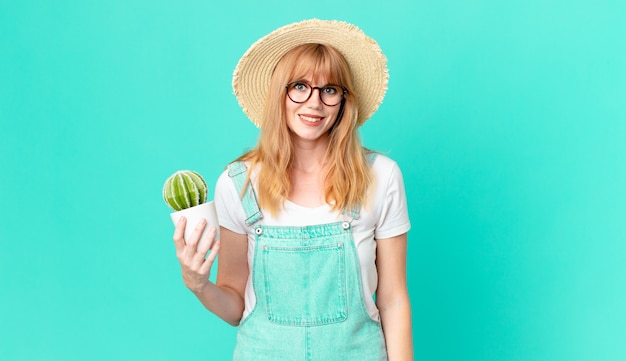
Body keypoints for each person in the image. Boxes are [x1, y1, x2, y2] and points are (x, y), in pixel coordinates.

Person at [172, 19, 413, 360]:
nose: (314, 103)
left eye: (329, 90)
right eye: (300, 86)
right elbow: (234, 306)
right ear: (279, 94)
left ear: (343, 101)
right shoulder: (238, 184)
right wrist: (197, 283)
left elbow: (393, 300)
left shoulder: (381, 177)